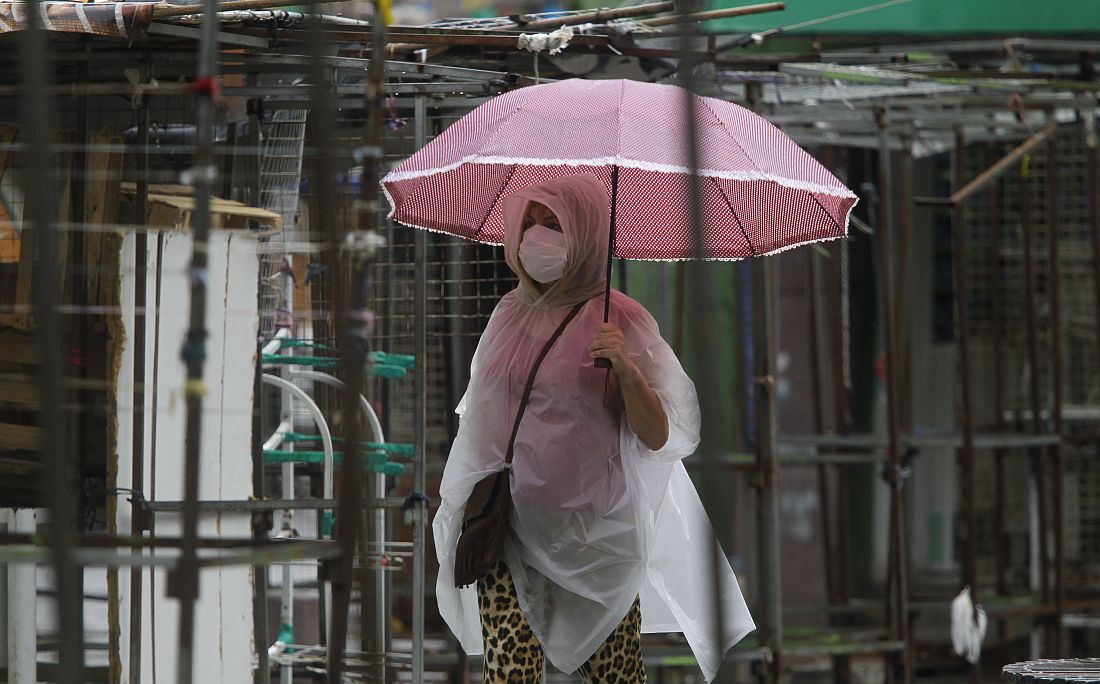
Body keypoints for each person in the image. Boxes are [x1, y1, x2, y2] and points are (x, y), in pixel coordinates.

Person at [433, 173, 755, 683]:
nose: (536, 237)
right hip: (508, 528)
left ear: (584, 233)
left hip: (596, 542)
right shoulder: (508, 314)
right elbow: (480, 418)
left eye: (554, 224)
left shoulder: (622, 319)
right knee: (509, 673)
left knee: (613, 676)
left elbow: (664, 435)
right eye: (529, 223)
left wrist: (626, 369)